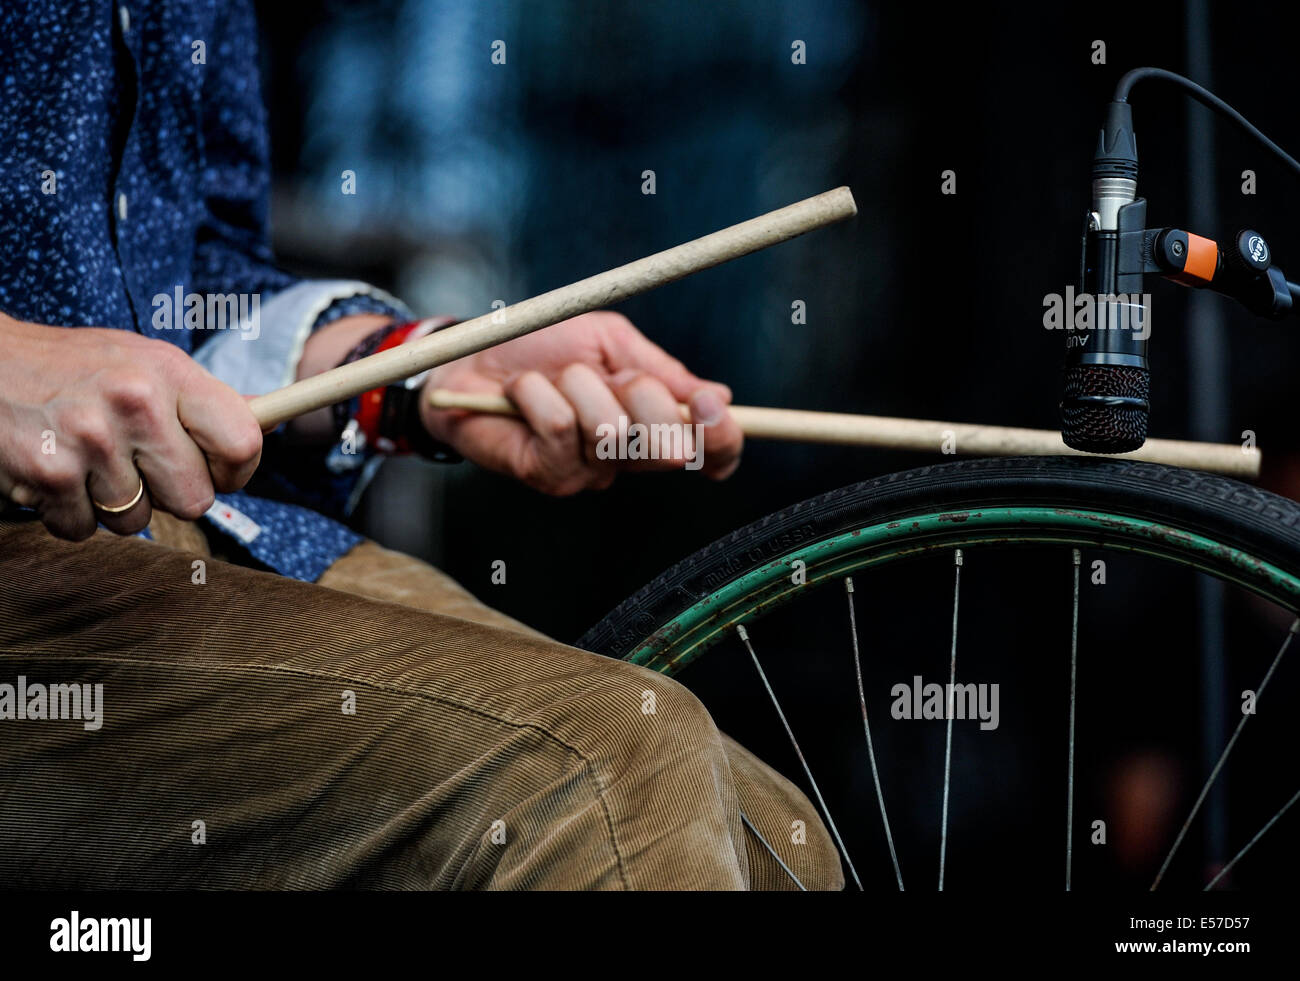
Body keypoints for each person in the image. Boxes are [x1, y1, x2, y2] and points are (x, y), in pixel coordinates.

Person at [0, 0, 842, 889]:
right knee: (608, 773)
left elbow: (179, 279)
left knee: (774, 838)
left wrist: (415, 372)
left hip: (181, 532)